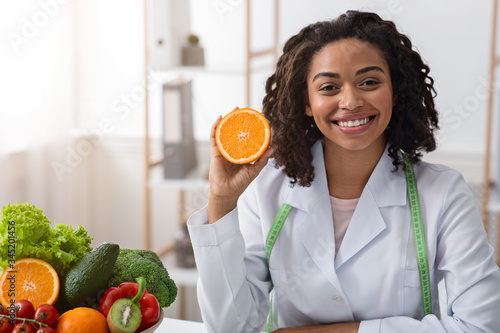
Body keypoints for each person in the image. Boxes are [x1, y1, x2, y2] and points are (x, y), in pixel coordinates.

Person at [187, 10, 500, 333]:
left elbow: (480, 326)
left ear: (395, 92)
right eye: (328, 87)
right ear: (306, 102)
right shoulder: (267, 188)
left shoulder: (443, 192)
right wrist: (221, 202)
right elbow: (230, 327)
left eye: (369, 82)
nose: (350, 101)